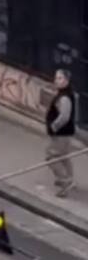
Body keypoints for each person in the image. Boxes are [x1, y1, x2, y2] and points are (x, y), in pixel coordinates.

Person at [46, 68, 76, 197]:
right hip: (65, 133)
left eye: (60, 78)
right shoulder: (66, 94)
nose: (56, 81)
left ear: (66, 81)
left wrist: (54, 127)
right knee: (63, 156)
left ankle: (65, 182)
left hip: (61, 134)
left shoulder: (64, 97)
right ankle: (69, 178)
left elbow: (64, 117)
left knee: (51, 157)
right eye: (56, 78)